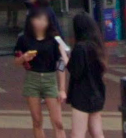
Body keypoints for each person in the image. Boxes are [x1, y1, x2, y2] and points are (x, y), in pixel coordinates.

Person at [15, 8, 66, 138]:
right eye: (37, 19)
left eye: (44, 19)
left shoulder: (55, 39)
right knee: (37, 120)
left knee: (58, 122)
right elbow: (16, 61)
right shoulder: (23, 39)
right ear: (31, 20)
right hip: (32, 79)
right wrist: (24, 58)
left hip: (50, 79)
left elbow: (61, 63)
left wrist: (62, 89)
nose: (41, 22)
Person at [66, 12, 107, 138]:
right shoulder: (97, 46)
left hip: (82, 96)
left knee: (77, 134)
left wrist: (65, 57)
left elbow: (76, 71)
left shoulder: (80, 48)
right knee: (97, 132)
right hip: (97, 93)